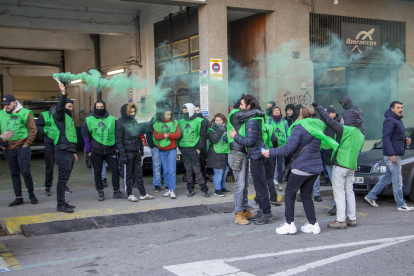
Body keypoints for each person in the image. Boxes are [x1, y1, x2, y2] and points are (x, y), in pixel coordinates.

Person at [262, 107, 338, 235]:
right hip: (315, 168)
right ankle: (313, 224)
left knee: (290, 192)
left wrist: (270, 152)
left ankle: (289, 224)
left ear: (301, 116)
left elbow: (288, 148)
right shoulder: (316, 127)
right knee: (306, 195)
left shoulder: (299, 127)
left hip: (301, 167)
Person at [313, 102, 365, 229]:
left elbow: (329, 121)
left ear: (348, 119)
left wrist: (319, 107)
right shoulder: (360, 134)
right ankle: (352, 219)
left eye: (343, 118)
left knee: (339, 193)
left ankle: (340, 220)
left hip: (340, 164)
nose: (341, 119)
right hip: (351, 166)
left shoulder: (345, 130)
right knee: (350, 192)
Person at [229, 94, 273, 225]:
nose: (240, 108)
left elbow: (250, 141)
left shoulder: (251, 121)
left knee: (260, 186)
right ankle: (262, 210)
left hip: (256, 156)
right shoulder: (255, 118)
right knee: (258, 185)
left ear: (249, 106)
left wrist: (236, 136)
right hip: (256, 155)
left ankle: (266, 212)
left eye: (242, 105)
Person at [364, 101, 414, 212]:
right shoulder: (390, 120)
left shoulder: (397, 120)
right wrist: (391, 154)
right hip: (393, 155)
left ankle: (371, 196)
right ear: (392, 109)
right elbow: (386, 137)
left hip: (396, 154)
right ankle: (401, 204)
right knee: (397, 180)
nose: (400, 109)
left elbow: (396, 135)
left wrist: (405, 138)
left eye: (401, 107)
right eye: (398, 108)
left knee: (387, 177)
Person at [84, 100, 127, 201]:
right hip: (96, 151)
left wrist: (116, 148)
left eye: (101, 106)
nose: (99, 108)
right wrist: (88, 151)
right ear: (95, 107)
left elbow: (116, 134)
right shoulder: (89, 120)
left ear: (105, 107)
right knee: (97, 173)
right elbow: (86, 136)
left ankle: (116, 191)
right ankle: (100, 191)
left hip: (110, 150)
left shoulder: (112, 119)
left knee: (115, 171)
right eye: (97, 107)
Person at [0, 94, 38, 207]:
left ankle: (31, 194)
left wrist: (26, 144)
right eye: (4, 105)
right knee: (14, 173)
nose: (6, 106)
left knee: (25, 171)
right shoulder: (1, 114)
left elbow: (33, 130)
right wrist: (1, 143)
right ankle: (18, 197)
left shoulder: (25, 113)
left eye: (8, 104)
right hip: (8, 148)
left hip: (22, 147)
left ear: (15, 103)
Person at [116, 102, 154, 202]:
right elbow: (119, 140)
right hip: (127, 152)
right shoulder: (120, 123)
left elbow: (138, 137)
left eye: (134, 111)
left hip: (136, 152)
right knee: (127, 175)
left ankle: (143, 193)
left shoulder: (134, 122)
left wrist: (141, 149)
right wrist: (123, 154)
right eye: (131, 112)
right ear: (126, 112)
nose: (133, 113)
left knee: (138, 173)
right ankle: (129, 194)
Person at [227, 99, 254, 225]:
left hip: (242, 152)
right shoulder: (236, 113)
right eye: (244, 105)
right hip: (236, 153)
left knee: (245, 184)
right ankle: (238, 214)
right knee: (240, 185)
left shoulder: (240, 115)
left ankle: (245, 209)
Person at [52, 83, 78, 213]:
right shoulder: (60, 116)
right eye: (69, 106)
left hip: (68, 151)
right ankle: (60, 205)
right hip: (62, 151)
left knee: (65, 178)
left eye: (72, 107)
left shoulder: (67, 118)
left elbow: (70, 136)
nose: (71, 109)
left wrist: (73, 152)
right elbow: (58, 109)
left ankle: (63, 202)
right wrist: (63, 94)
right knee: (62, 179)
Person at [178, 103, 209, 197]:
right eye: (183, 111)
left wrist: (199, 148)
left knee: (197, 170)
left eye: (186, 110)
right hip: (185, 149)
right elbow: (179, 135)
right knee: (188, 170)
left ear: (190, 110)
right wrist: (180, 148)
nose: (184, 112)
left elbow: (203, 136)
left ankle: (204, 189)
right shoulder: (181, 121)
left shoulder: (200, 121)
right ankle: (190, 188)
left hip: (194, 149)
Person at [153, 107, 181, 199]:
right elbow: (156, 136)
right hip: (161, 150)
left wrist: (168, 135)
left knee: (172, 170)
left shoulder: (175, 123)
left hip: (172, 149)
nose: (169, 116)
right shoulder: (157, 124)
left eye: (170, 114)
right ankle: (169, 189)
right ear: (162, 115)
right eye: (167, 114)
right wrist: (162, 135)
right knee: (165, 170)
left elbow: (178, 134)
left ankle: (172, 190)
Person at [81, 111, 107, 188]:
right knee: (96, 162)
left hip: (102, 144)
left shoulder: (105, 117)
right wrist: (88, 143)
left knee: (101, 162)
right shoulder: (89, 119)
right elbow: (84, 131)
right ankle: (100, 179)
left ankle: (102, 179)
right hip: (94, 145)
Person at [36, 105, 57, 196]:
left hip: (60, 142)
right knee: (50, 164)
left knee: (63, 166)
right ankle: (48, 186)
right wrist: (46, 131)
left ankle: (63, 185)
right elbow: (36, 125)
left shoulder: (63, 115)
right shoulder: (43, 116)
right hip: (49, 143)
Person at [207, 113, 230, 197]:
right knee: (218, 172)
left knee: (225, 171)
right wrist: (220, 130)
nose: (217, 122)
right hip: (215, 153)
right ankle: (217, 190)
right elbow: (214, 140)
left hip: (225, 152)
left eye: (219, 120)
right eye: (216, 120)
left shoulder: (227, 128)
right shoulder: (211, 129)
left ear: (223, 121)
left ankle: (222, 187)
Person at [146, 101, 166, 193]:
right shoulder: (153, 119)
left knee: (165, 166)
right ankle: (157, 185)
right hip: (156, 147)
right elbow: (148, 132)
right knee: (157, 167)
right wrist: (152, 145)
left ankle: (166, 184)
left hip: (166, 147)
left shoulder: (168, 119)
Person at [267, 106, 289, 189]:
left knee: (280, 166)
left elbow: (287, 134)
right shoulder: (269, 121)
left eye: (278, 110)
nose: (276, 111)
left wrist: (287, 145)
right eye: (275, 110)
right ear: (272, 112)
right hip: (272, 147)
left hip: (281, 147)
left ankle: (280, 182)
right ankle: (271, 182)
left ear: (280, 112)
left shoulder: (284, 122)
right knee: (271, 165)